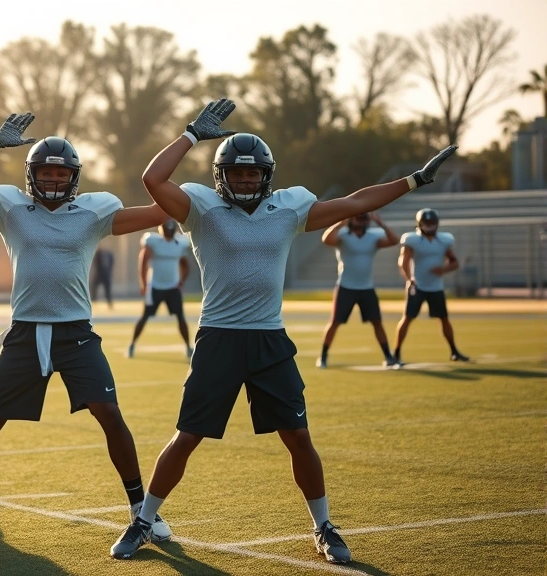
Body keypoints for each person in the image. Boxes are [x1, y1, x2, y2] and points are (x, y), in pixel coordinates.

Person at [111, 98, 458, 563]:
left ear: (266, 176)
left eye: (253, 174)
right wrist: (191, 134)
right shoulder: (202, 208)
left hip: (269, 338)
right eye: (237, 174)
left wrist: (414, 181)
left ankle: (323, 526)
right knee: (188, 435)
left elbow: (356, 201)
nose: (246, 181)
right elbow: (152, 180)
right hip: (219, 336)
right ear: (222, 176)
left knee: (298, 436)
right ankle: (144, 520)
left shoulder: (287, 208)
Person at [0, 112, 172, 542]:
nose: (53, 179)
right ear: (31, 175)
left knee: (110, 415)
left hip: (76, 333)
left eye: (60, 172)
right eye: (45, 171)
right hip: (26, 332)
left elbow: (162, 209)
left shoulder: (94, 211)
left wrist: (198, 182)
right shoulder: (12, 209)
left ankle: (141, 511)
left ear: (74, 177)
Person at [316, 212, 399, 369]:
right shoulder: (343, 235)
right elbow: (326, 239)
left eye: (364, 218)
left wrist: (381, 223)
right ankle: (323, 356)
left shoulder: (373, 237)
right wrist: (341, 222)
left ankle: (388, 356)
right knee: (335, 322)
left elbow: (394, 240)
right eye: (358, 217)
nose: (361, 221)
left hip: (366, 287)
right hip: (346, 286)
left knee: (377, 322)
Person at [392, 208, 469, 363]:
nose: (430, 226)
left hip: (436, 287)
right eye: (427, 223)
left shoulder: (444, 240)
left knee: (444, 319)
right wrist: (409, 279)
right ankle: (396, 353)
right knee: (407, 318)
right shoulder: (412, 239)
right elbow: (403, 261)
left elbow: (454, 262)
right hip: (417, 285)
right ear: (420, 224)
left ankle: (454, 351)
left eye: (432, 223)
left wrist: (443, 269)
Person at [127, 218, 192, 359]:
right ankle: (132, 344)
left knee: (180, 317)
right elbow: (143, 261)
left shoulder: (179, 243)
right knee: (144, 317)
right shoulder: (153, 242)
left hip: (172, 288)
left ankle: (188, 346)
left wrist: (181, 281)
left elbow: (185, 265)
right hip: (155, 286)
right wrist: (143, 283)